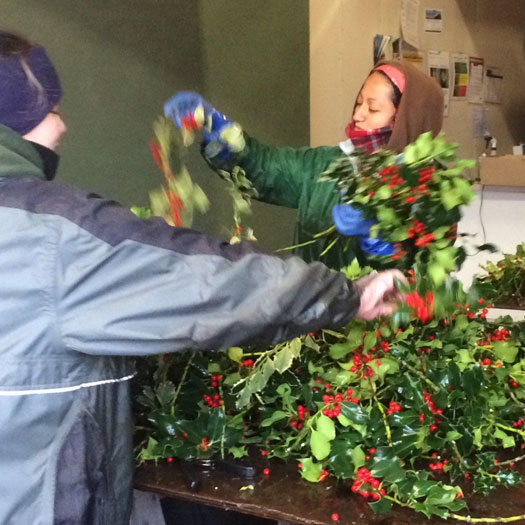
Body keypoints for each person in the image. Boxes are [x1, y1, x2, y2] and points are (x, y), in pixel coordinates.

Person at [0, 30, 405, 525]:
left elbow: (430, 263)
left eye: (376, 107)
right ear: (19, 118)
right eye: (53, 110)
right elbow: (216, 268)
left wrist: (391, 240)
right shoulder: (54, 237)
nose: (62, 127)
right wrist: (225, 139)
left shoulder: (421, 179)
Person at [164, 60, 444, 269]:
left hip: (382, 338)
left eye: (372, 108)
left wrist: (380, 240)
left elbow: (424, 272)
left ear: (405, 121)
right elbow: (266, 168)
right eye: (358, 103)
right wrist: (225, 137)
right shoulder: (326, 165)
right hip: (316, 327)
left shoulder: (427, 187)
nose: (358, 115)